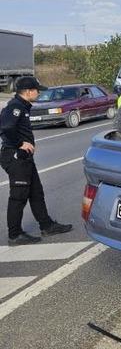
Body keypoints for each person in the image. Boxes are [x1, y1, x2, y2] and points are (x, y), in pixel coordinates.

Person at [0, 77, 73, 245]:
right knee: (18, 196)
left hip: (24, 157)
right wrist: (20, 144)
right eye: (36, 90)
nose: (39, 93)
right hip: (16, 157)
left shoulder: (22, 106)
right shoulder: (15, 106)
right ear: (28, 91)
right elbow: (6, 127)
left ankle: (47, 226)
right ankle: (14, 235)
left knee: (36, 193)